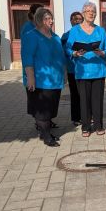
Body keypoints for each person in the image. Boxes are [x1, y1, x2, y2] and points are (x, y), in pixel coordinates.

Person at [21, 8, 66, 147]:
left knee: (51, 110)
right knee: (42, 112)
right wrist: (30, 78)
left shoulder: (56, 37)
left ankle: (45, 131)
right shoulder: (31, 35)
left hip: (54, 80)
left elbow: (61, 58)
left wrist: (64, 75)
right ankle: (46, 137)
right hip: (39, 81)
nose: (51, 21)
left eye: (51, 18)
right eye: (47, 18)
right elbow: (27, 58)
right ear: (39, 20)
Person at [66, 2, 106, 137]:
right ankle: (85, 126)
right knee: (84, 101)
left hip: (98, 70)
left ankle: (98, 125)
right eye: (88, 11)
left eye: (93, 11)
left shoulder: (101, 30)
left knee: (97, 100)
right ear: (83, 13)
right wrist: (75, 53)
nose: (91, 13)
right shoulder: (74, 30)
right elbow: (67, 48)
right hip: (82, 71)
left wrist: (102, 53)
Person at [61, 11, 83, 126]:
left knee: (85, 95)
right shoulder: (65, 36)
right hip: (72, 70)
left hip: (85, 70)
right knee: (75, 95)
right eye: (75, 19)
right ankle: (76, 118)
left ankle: (86, 116)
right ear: (71, 21)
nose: (78, 21)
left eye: (80, 19)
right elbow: (64, 51)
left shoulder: (85, 34)